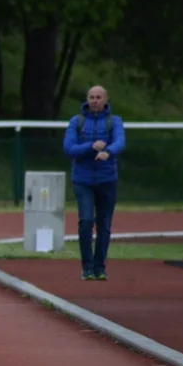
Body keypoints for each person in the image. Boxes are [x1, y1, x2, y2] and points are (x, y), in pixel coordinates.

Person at [62, 84, 125, 281]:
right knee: (86, 220)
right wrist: (91, 146)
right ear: (87, 100)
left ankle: (100, 267)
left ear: (106, 100)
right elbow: (69, 148)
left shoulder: (114, 121)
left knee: (104, 225)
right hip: (83, 180)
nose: (95, 100)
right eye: (91, 97)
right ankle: (87, 266)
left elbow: (120, 142)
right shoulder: (77, 122)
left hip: (107, 180)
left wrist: (108, 152)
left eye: (98, 97)